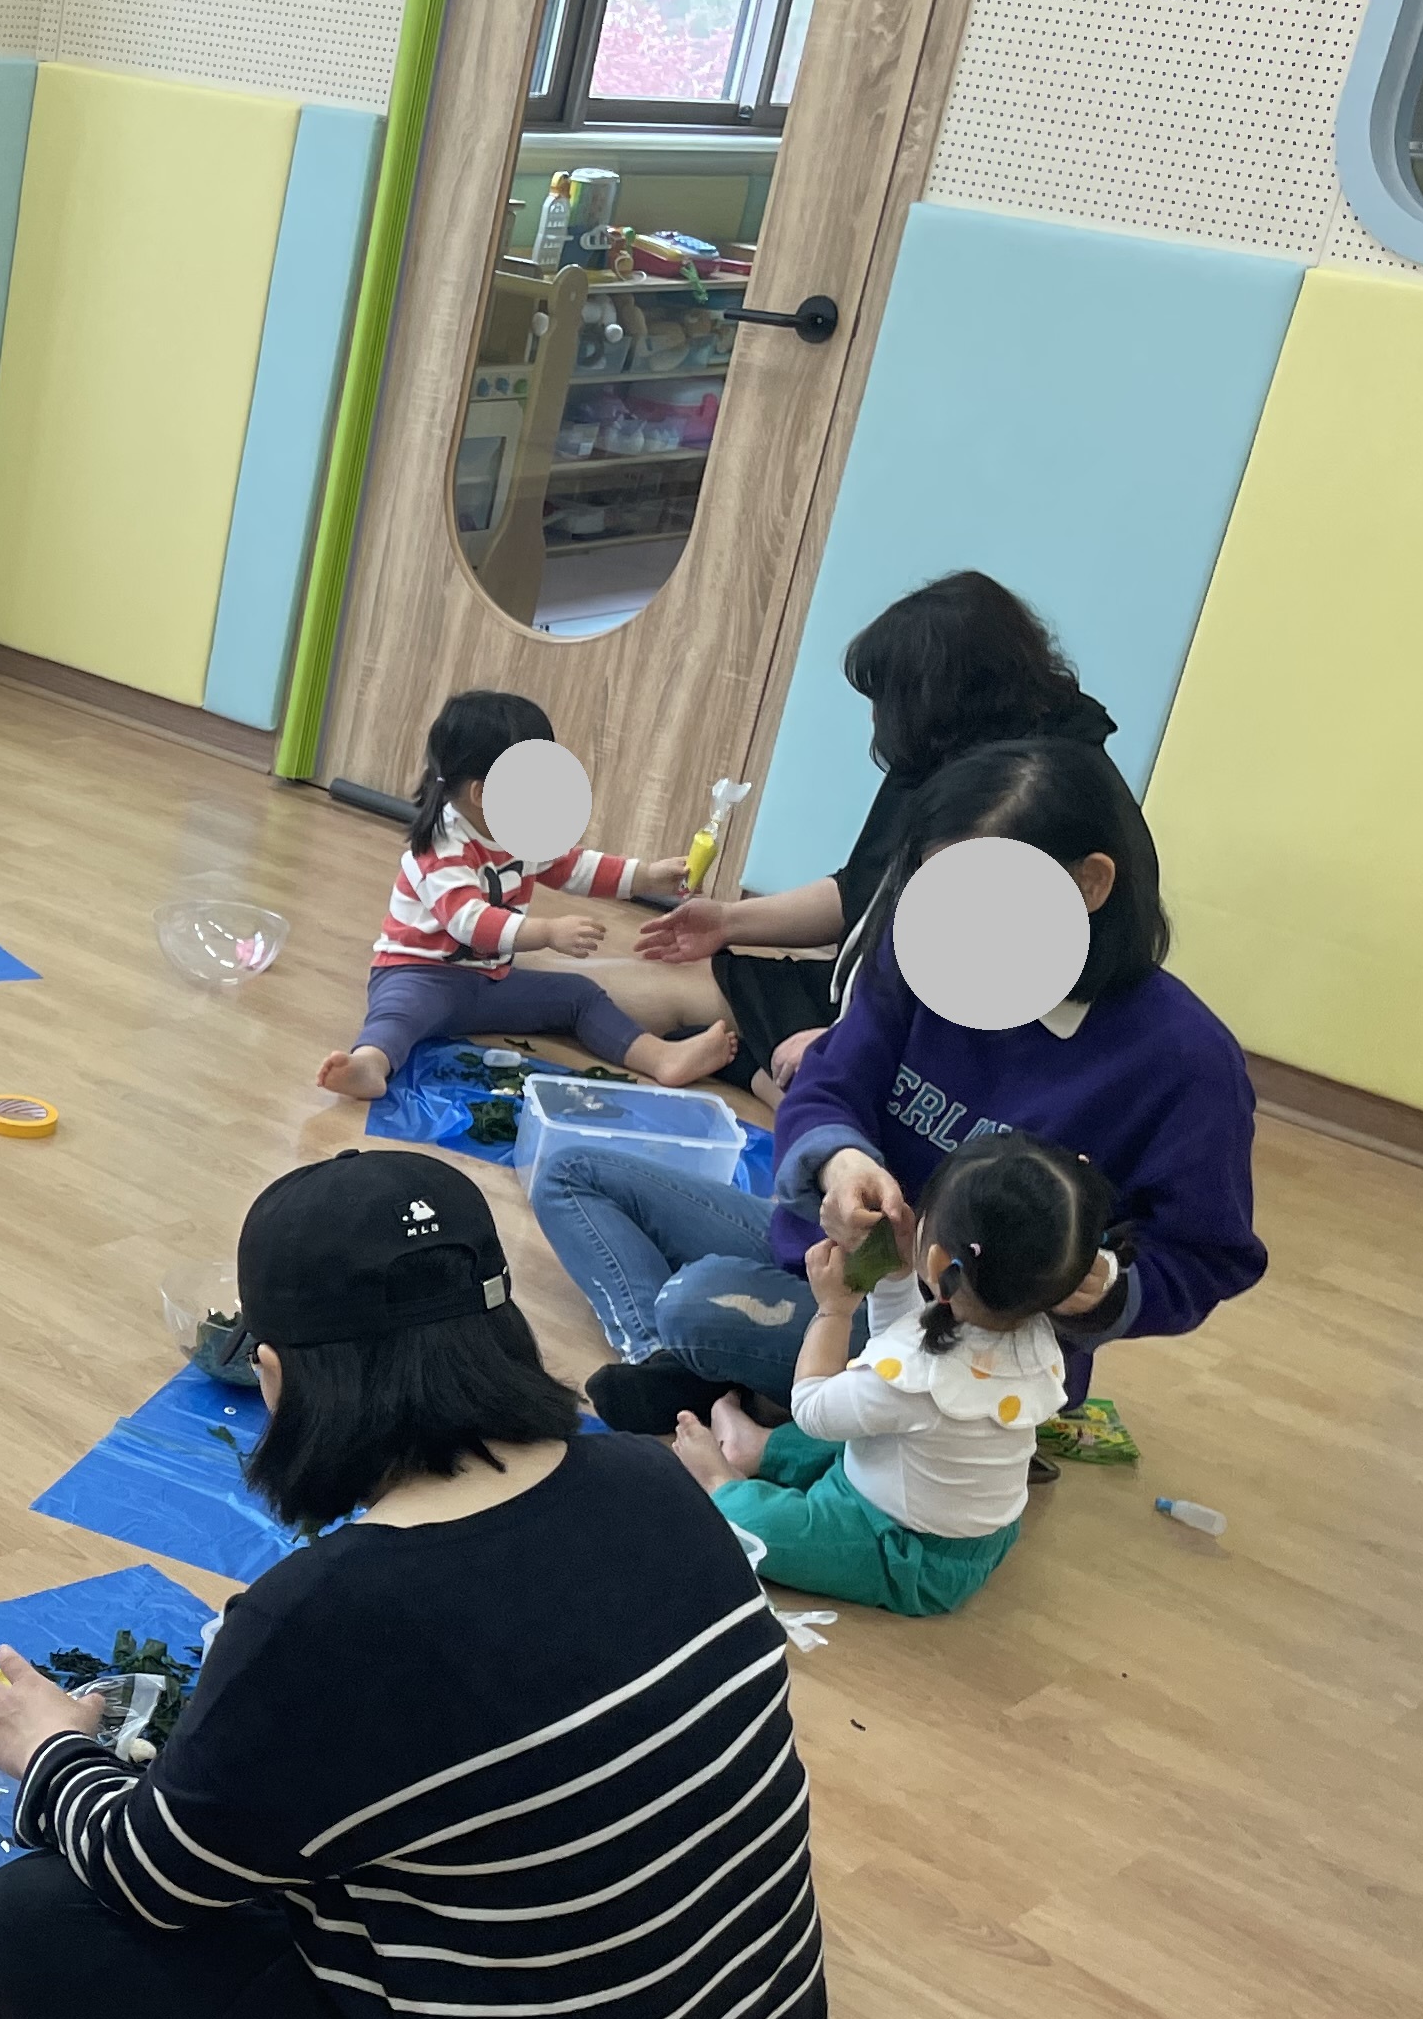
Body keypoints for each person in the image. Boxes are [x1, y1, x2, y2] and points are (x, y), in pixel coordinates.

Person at [0, 1149, 824, 2019]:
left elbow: (146, 1879)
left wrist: (52, 1748)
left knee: (26, 1922)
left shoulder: (327, 1614)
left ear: (272, 1377)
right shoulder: (655, 1481)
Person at [535, 735, 1263, 1439]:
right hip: (834, 1261)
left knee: (695, 1302)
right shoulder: (928, 954)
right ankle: (682, 1367)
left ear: (1089, 884)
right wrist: (840, 1161)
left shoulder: (1185, 1061)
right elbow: (829, 1082)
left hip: (962, 1340)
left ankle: (722, 1370)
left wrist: (1102, 1285)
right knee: (572, 1173)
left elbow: (1208, 1256)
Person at [629, 570, 1121, 1085]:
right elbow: (865, 891)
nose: (876, 719)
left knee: (807, 1083)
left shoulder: (1033, 793)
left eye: (887, 698)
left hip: (954, 1046)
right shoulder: (944, 750)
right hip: (870, 996)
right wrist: (730, 922)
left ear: (940, 695)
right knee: (638, 989)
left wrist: (851, 1038)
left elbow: (988, 983)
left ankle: (758, 1073)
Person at [670, 1134, 1119, 1617]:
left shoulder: (919, 1378)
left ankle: (720, 1483)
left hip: (908, 1552)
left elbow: (813, 1409)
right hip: (970, 1530)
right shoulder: (1033, 1335)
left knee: (766, 1527)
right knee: (866, 1430)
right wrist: (896, 1277)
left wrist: (833, 1311)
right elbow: (901, 1349)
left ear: (939, 1261)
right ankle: (759, 1447)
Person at [316, 688, 734, 1101]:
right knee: (397, 1016)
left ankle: (661, 1058)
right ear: (482, 793)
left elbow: (574, 867)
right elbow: (469, 921)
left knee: (579, 996)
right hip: (418, 975)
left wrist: (648, 876)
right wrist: (547, 932)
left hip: (490, 980)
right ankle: (369, 1064)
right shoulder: (441, 847)